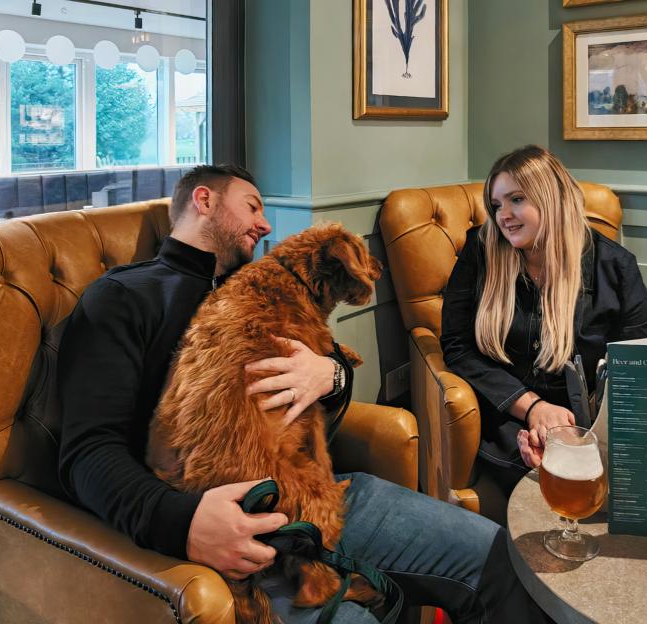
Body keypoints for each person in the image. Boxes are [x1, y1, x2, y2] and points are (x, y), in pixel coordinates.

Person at [58, 164, 544, 623]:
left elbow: (335, 377)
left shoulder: (266, 287)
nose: (265, 224)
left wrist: (328, 375)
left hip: (322, 494)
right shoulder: (125, 297)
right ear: (204, 200)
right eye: (252, 206)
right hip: (227, 528)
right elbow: (87, 452)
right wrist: (182, 523)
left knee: (501, 559)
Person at [441, 145, 647, 493]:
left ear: (551, 198)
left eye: (516, 200)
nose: (503, 215)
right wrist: (533, 409)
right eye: (496, 205)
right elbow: (457, 346)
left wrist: (587, 436)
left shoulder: (614, 267)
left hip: (591, 426)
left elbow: (638, 362)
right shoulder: (480, 252)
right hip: (508, 417)